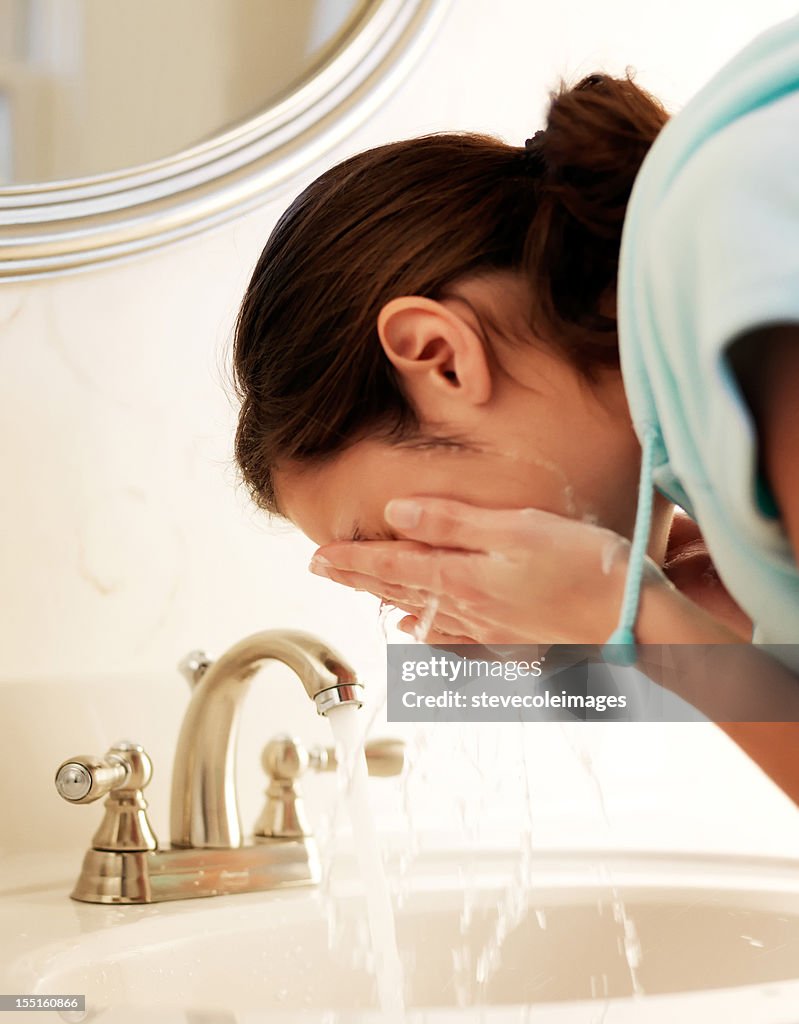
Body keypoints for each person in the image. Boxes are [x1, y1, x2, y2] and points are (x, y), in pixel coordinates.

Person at [229, 15, 799, 802]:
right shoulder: (702, 352)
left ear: (440, 358)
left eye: (408, 550)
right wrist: (729, 622)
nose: (444, 610)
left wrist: (627, 618)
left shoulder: (726, 259)